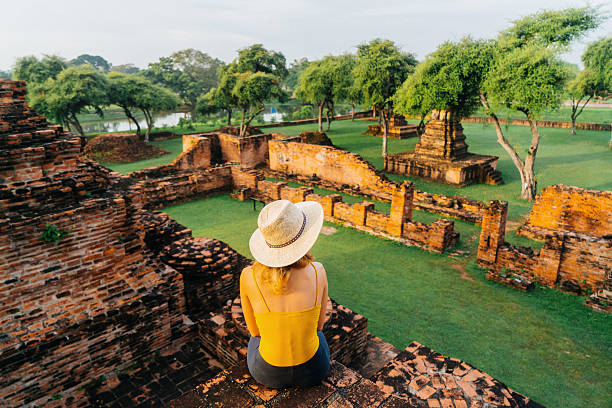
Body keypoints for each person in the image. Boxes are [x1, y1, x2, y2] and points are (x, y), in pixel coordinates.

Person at [240, 199, 330, 388]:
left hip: (268, 373)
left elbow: (255, 332)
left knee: (255, 340)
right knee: (318, 336)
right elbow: (319, 326)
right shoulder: (318, 271)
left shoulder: (248, 276)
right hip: (313, 369)